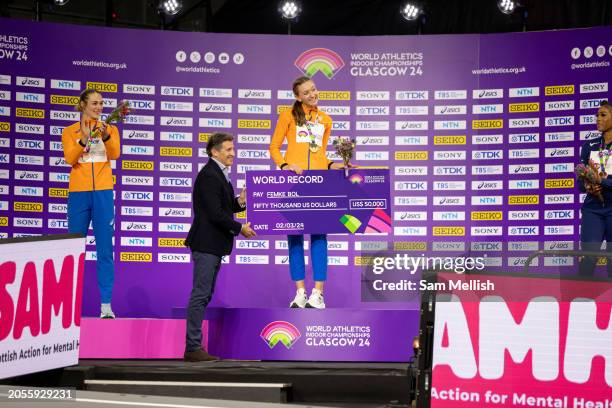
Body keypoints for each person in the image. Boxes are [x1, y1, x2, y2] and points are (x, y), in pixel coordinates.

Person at [269, 76, 349, 309]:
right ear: (297, 96)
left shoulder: (325, 119)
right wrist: (284, 165)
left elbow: (320, 156)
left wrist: (337, 165)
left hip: (318, 183)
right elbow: (274, 147)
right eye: (306, 92)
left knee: (319, 238)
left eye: (314, 89)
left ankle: (318, 294)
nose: (313, 94)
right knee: (294, 238)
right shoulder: (287, 116)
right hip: (293, 183)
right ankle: (300, 293)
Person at [184, 132, 257, 362]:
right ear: (214, 152)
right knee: (200, 295)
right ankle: (193, 347)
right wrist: (240, 228)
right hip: (206, 244)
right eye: (227, 149)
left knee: (204, 294)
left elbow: (222, 208)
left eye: (232, 149)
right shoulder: (209, 176)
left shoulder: (219, 175)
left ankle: (195, 346)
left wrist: (240, 202)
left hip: (213, 245)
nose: (232, 153)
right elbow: (215, 214)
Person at [62, 89, 120, 319]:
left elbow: (115, 153)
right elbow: (69, 158)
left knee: (105, 251)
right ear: (82, 104)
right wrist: (84, 138)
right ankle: (67, 305)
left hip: (103, 193)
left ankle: (106, 306)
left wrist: (105, 136)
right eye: (94, 103)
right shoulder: (69, 131)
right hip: (79, 193)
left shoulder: (111, 129)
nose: (99, 107)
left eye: (101, 103)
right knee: (73, 251)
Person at [579, 100, 612, 277]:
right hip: (593, 210)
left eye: (603, 115)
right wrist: (588, 186)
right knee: (588, 259)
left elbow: (602, 179)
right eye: (597, 115)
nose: (598, 118)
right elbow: (579, 183)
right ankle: (579, 302)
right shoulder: (589, 146)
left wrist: (601, 181)